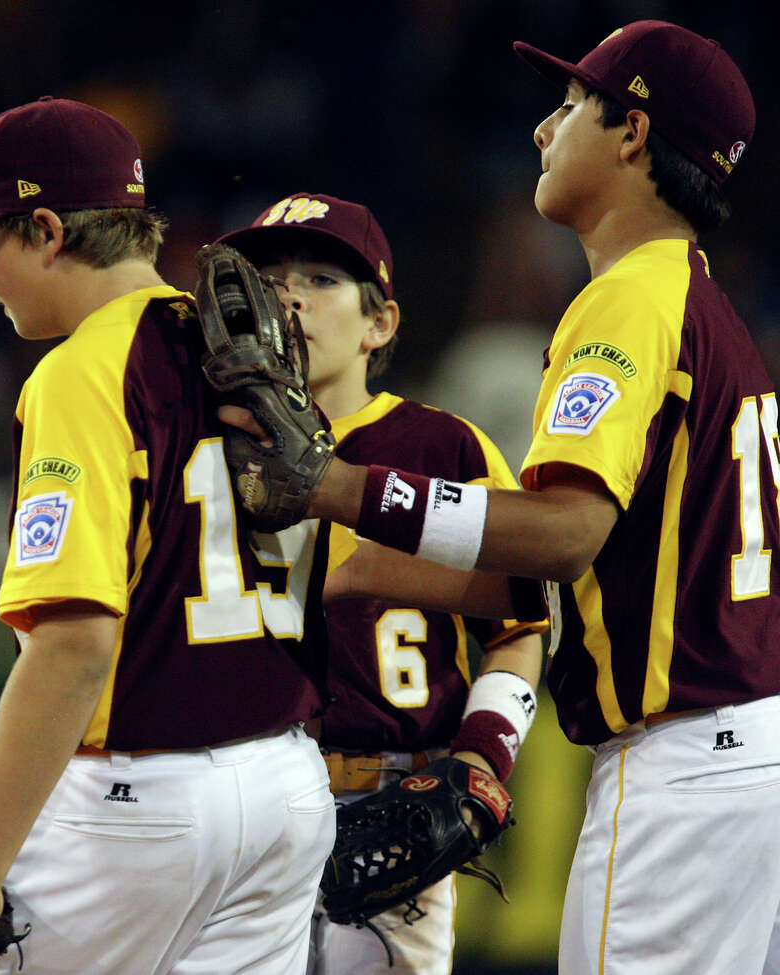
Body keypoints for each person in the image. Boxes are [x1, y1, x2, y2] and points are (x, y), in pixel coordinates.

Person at [223, 20, 777, 975]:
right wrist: (360, 569)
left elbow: (562, 537)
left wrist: (341, 486)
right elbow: (570, 568)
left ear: (634, 134)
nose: (541, 129)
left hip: (686, 754)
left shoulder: (630, 299)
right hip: (734, 745)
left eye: (569, 105)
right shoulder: (700, 303)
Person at [0, 96, 336, 973]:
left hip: (143, 804)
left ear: (49, 231)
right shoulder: (247, 350)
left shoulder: (84, 370)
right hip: (286, 788)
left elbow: (73, 646)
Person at [217, 193, 545, 975]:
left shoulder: (440, 443)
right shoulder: (201, 438)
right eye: (272, 279)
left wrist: (484, 752)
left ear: (380, 324)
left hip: (396, 802)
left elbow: (523, 618)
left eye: (322, 278)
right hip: (239, 799)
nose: (290, 296)